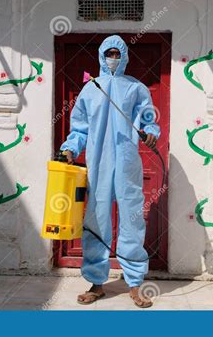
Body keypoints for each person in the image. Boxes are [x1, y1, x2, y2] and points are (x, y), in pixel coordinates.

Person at [60, 35, 160, 308]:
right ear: (102, 56)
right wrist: (70, 149)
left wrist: (150, 132)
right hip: (98, 164)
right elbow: (79, 129)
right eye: (109, 53)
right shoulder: (90, 89)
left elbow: (149, 118)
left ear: (125, 56)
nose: (113, 57)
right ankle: (96, 283)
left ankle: (135, 284)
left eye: (118, 53)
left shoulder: (136, 88)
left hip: (128, 164)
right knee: (96, 221)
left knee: (132, 220)